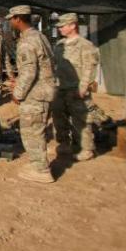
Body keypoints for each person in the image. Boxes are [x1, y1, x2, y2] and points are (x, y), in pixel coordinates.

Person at [6, 5, 57, 184]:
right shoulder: (40, 36)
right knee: (38, 130)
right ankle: (39, 165)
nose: (11, 22)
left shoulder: (27, 41)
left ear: (18, 19)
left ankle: (41, 170)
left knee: (31, 132)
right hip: (45, 91)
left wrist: (18, 93)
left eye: (12, 18)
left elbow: (29, 72)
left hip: (35, 94)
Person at [52, 13, 100, 161]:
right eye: (59, 26)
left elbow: (89, 68)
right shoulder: (60, 45)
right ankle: (64, 144)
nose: (60, 29)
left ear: (73, 25)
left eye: (63, 26)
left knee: (81, 120)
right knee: (59, 119)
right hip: (60, 88)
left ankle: (86, 149)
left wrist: (83, 87)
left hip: (76, 89)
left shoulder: (85, 45)